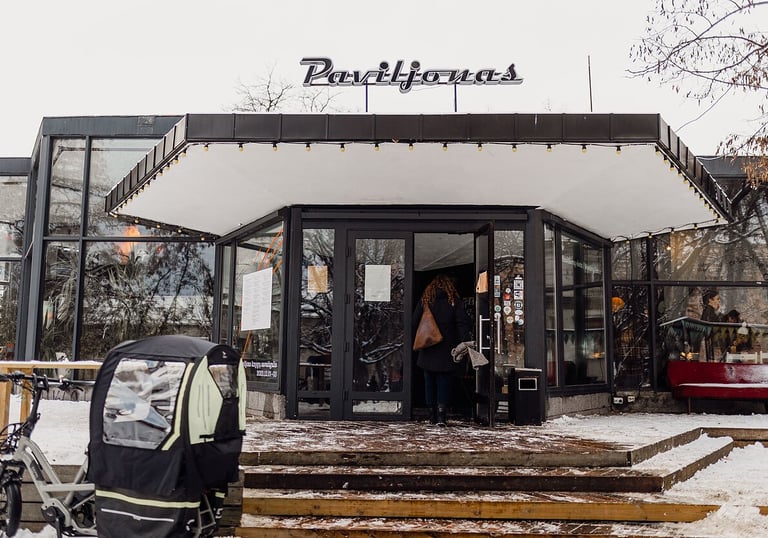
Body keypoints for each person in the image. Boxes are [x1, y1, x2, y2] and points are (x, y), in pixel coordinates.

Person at [412, 274, 471, 426]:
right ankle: (441, 416)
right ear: (449, 287)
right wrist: (465, 342)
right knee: (444, 382)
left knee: (429, 383)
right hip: (447, 348)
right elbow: (462, 324)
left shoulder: (425, 301)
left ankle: (431, 415)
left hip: (428, 347)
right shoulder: (454, 302)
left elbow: (414, 322)